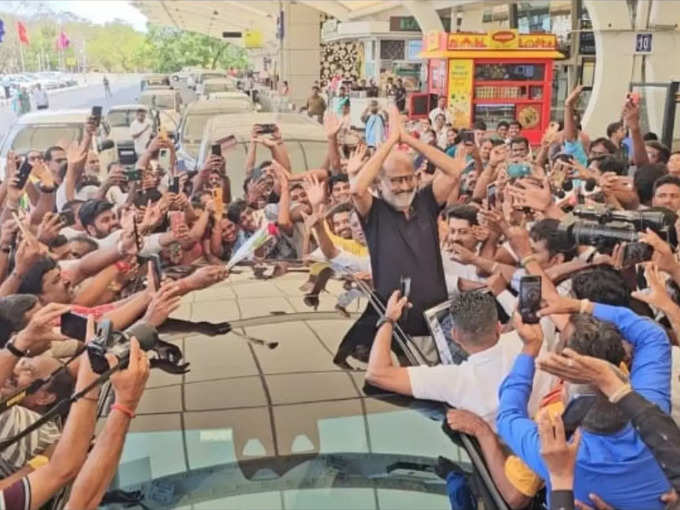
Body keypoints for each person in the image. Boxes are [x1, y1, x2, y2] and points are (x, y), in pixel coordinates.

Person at [497, 298, 672, 509]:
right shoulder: (654, 414)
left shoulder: (558, 454)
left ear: (567, 401)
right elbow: (652, 334)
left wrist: (530, 347)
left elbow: (508, 414)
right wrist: (582, 306)